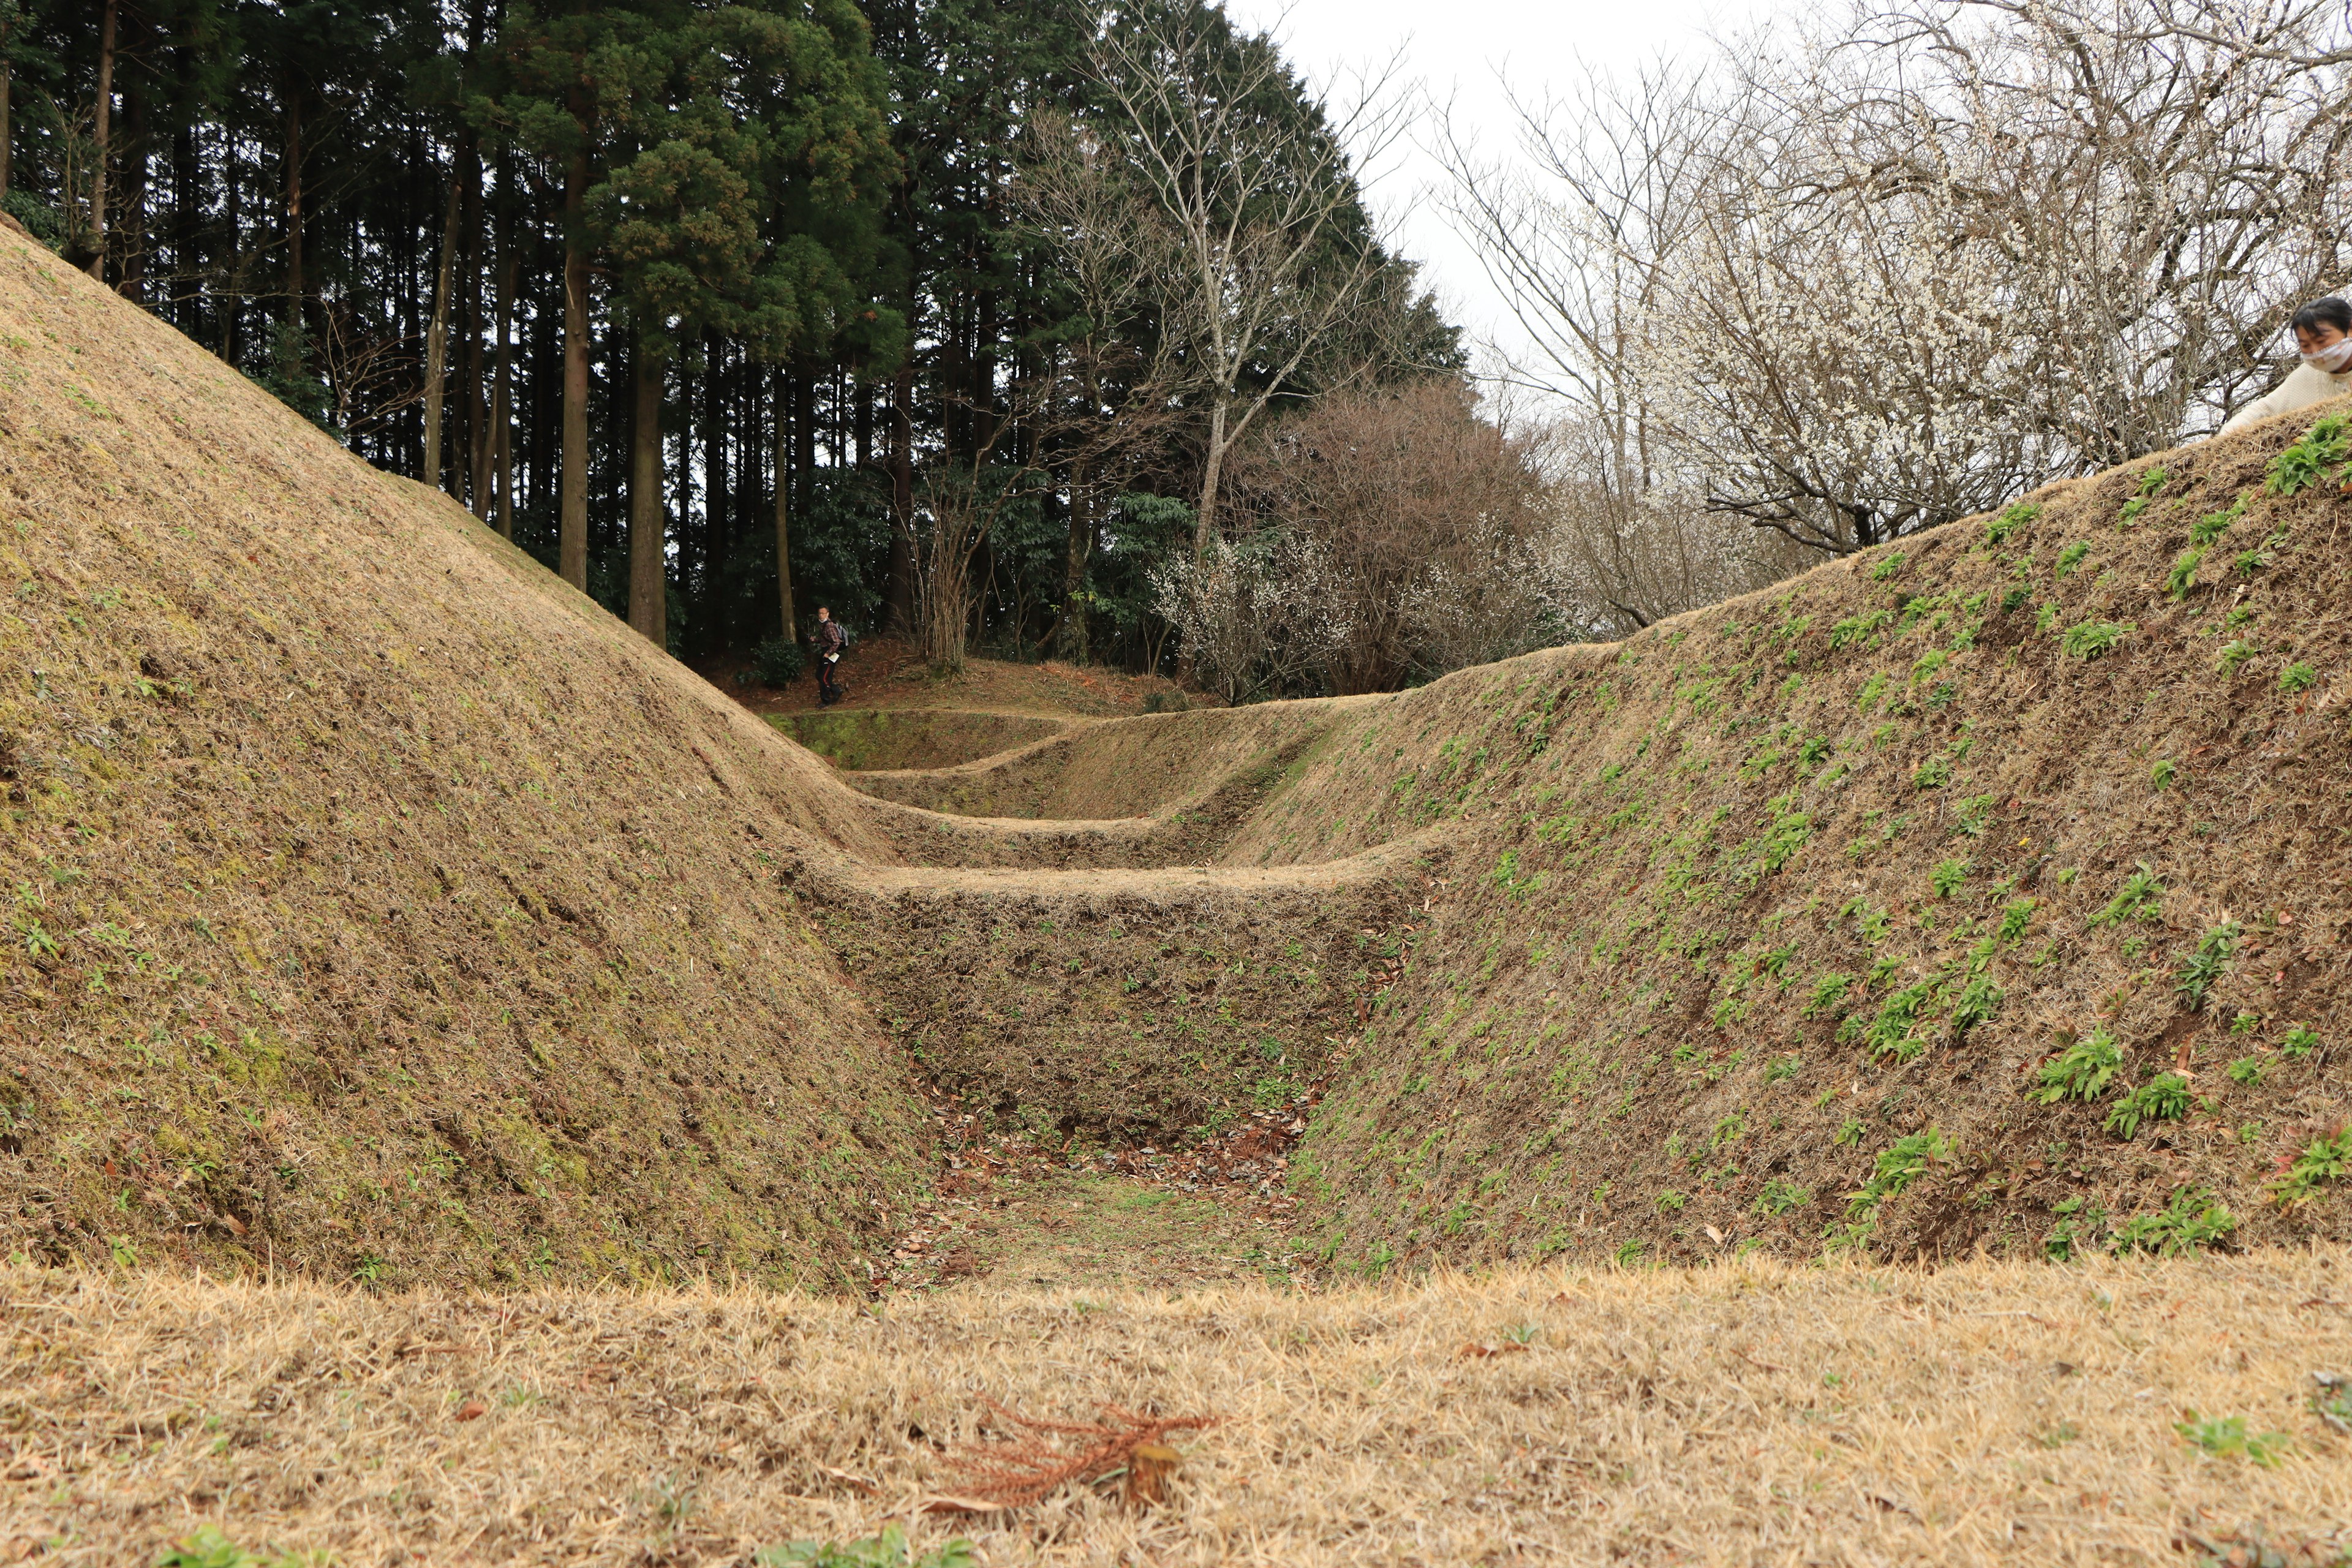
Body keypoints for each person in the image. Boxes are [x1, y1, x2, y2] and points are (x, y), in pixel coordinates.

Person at [2222, 296, 2352, 433]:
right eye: (2306, 345)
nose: (2315, 351)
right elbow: (2263, 410)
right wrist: (2225, 437)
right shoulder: (2304, 376)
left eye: (2321, 341)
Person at [813, 605, 848, 706]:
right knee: (819, 675)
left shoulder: (829, 625)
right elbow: (825, 639)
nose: (821, 615)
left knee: (824, 678)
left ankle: (826, 701)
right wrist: (814, 640)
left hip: (830, 654)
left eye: (823, 613)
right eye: (820, 613)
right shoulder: (824, 625)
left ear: (828, 614)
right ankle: (836, 690)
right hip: (825, 652)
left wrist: (828, 653)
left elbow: (836, 642)